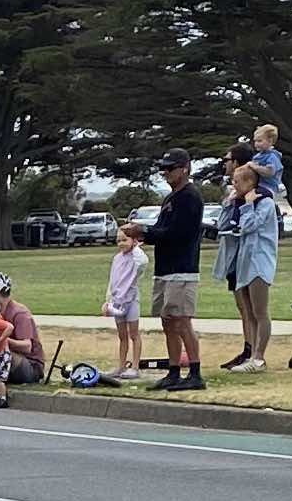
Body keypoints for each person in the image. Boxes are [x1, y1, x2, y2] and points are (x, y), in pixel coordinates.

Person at [123, 148, 205, 391]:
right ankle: (173, 370)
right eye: (163, 169)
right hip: (165, 268)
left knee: (181, 320)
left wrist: (144, 232)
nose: (166, 173)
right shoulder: (171, 198)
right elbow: (161, 229)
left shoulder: (190, 197)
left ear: (185, 168)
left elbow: (179, 233)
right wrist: (143, 232)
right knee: (167, 321)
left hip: (182, 268)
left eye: (171, 168)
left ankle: (195, 372)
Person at [223, 162, 279, 372]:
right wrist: (230, 204)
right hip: (244, 262)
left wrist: (247, 205)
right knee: (249, 312)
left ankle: (259, 358)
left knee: (260, 311)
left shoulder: (265, 202)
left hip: (259, 262)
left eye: (237, 182)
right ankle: (252, 355)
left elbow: (249, 226)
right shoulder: (240, 202)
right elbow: (225, 225)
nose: (234, 185)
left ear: (249, 182)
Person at [0, 272, 44, 384]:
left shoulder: (20, 313)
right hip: (10, 360)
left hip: (30, 366)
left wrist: (1, 340)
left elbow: (27, 347)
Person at [103, 234, 146, 380]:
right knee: (122, 336)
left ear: (133, 241)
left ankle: (135, 367)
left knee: (134, 334)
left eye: (125, 240)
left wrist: (136, 247)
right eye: (118, 241)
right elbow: (112, 280)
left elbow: (142, 263)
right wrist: (108, 300)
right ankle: (121, 366)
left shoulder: (137, 257)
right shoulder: (117, 259)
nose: (121, 243)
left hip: (131, 300)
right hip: (117, 301)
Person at [251, 124, 285, 202]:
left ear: (270, 141)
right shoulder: (257, 156)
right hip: (258, 186)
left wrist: (254, 167)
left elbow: (269, 172)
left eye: (259, 141)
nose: (256, 144)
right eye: (255, 141)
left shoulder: (272, 156)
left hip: (269, 187)